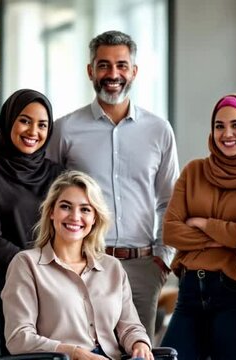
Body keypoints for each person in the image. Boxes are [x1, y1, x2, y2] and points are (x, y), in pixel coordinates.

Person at [46, 30, 179, 340]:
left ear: (134, 71)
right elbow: (48, 199)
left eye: (121, 65)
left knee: (136, 350)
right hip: (83, 262)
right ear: (90, 70)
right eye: (104, 65)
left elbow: (169, 200)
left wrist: (162, 259)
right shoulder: (65, 130)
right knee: (85, 349)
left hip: (143, 266)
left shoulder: (159, 130)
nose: (113, 74)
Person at [159, 94, 236, 359]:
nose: (227, 134)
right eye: (219, 126)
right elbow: (170, 231)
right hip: (190, 292)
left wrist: (203, 223)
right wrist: (223, 237)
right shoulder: (194, 171)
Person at [1, 170, 153, 360]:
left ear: (95, 218)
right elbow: (19, 338)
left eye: (85, 209)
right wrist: (74, 353)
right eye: (65, 207)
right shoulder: (26, 264)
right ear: (51, 212)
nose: (75, 216)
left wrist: (139, 343)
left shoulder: (112, 267)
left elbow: (130, 327)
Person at [0, 89, 64, 291]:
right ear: (9, 120)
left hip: (55, 282)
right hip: (9, 282)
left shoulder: (58, 175)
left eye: (42, 125)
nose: (33, 132)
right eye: (25, 121)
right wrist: (35, 266)